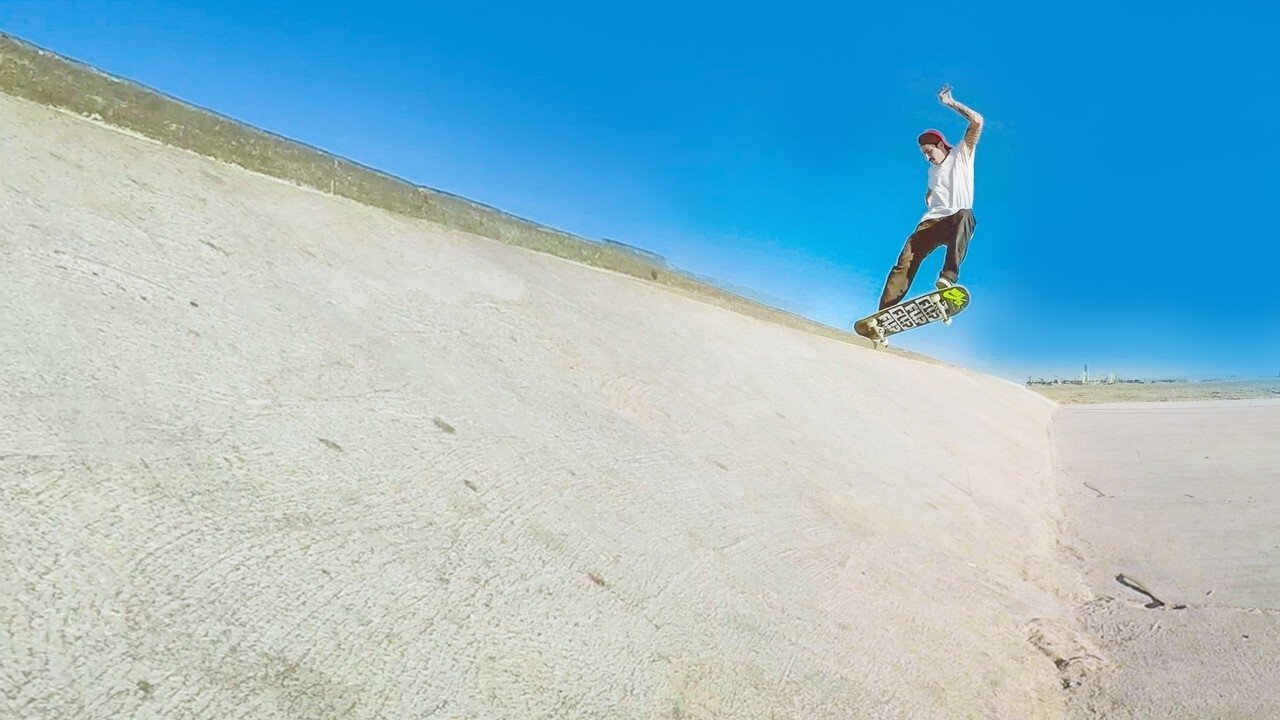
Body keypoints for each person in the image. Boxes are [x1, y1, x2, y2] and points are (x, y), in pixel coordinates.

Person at [876, 84, 983, 310]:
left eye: (929, 151)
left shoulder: (961, 154)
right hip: (931, 223)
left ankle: (948, 278)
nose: (927, 158)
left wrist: (950, 103)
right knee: (905, 260)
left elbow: (977, 121)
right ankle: (883, 313)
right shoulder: (932, 172)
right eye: (923, 154)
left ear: (940, 145)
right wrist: (930, 193)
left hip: (955, 222)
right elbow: (938, 184)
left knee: (965, 215)